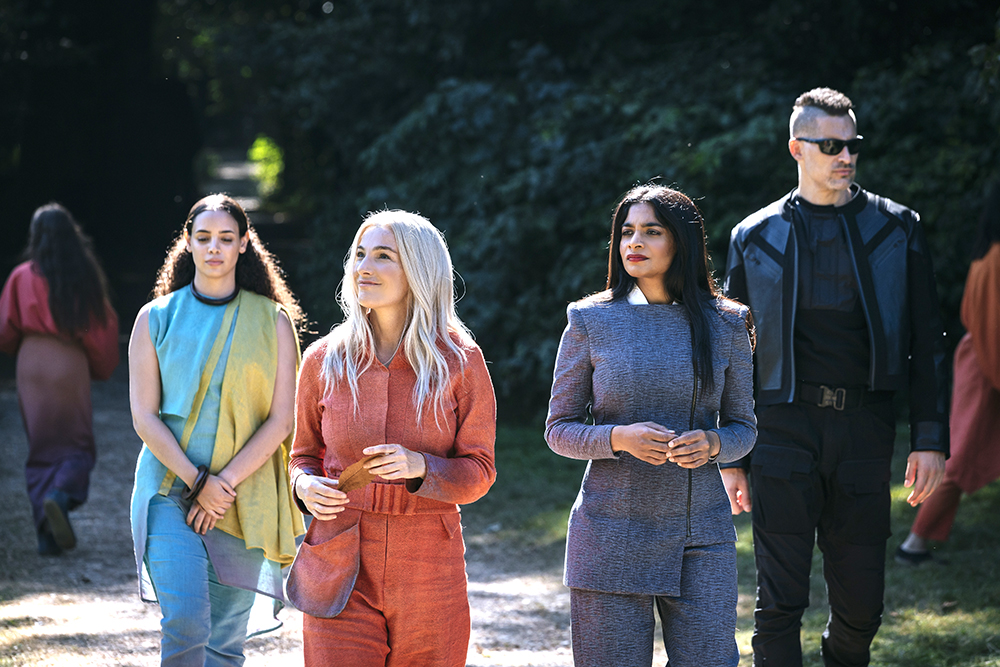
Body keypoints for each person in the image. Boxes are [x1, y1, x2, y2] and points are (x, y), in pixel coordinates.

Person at [721, 87, 949, 667]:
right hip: (782, 431)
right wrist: (732, 455)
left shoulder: (897, 229)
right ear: (797, 148)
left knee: (861, 612)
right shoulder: (754, 237)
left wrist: (929, 438)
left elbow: (928, 341)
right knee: (778, 607)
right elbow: (733, 354)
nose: (845, 156)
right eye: (830, 146)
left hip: (864, 432)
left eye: (852, 144)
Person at [545, 184, 757, 667]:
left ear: (682, 241)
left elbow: (744, 428)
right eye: (626, 232)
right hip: (609, 532)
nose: (634, 242)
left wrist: (713, 443)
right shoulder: (589, 320)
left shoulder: (728, 323)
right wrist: (618, 438)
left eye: (651, 231)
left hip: (701, 534)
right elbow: (558, 429)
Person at [289, 209, 496, 666]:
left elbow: (480, 471)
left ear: (420, 270)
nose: (364, 267)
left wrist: (422, 466)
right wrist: (303, 485)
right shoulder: (322, 359)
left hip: (428, 564)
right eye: (360, 254)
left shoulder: (461, 361)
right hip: (339, 558)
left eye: (384, 256)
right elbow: (302, 455)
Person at [128, 194, 306, 666]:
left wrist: (221, 486)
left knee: (225, 642)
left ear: (244, 244)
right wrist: (198, 482)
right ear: (187, 242)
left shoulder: (273, 321)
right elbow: (144, 417)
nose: (214, 248)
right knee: (185, 620)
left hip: (242, 496)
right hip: (168, 490)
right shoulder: (154, 318)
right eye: (203, 237)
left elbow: (282, 420)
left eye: (226, 238)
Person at [0, 203, 119, 556]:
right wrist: (101, 366)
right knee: (76, 444)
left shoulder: (21, 276)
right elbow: (101, 329)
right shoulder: (83, 277)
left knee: (41, 446)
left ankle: (45, 535)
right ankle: (61, 494)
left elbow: (5, 329)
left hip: (32, 362)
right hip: (69, 362)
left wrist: (21, 348)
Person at [896, 183, 1000, 564]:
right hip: (986, 365)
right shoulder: (995, 258)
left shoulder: (990, 255)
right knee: (960, 459)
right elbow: (992, 328)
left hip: (986, 361)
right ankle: (914, 544)